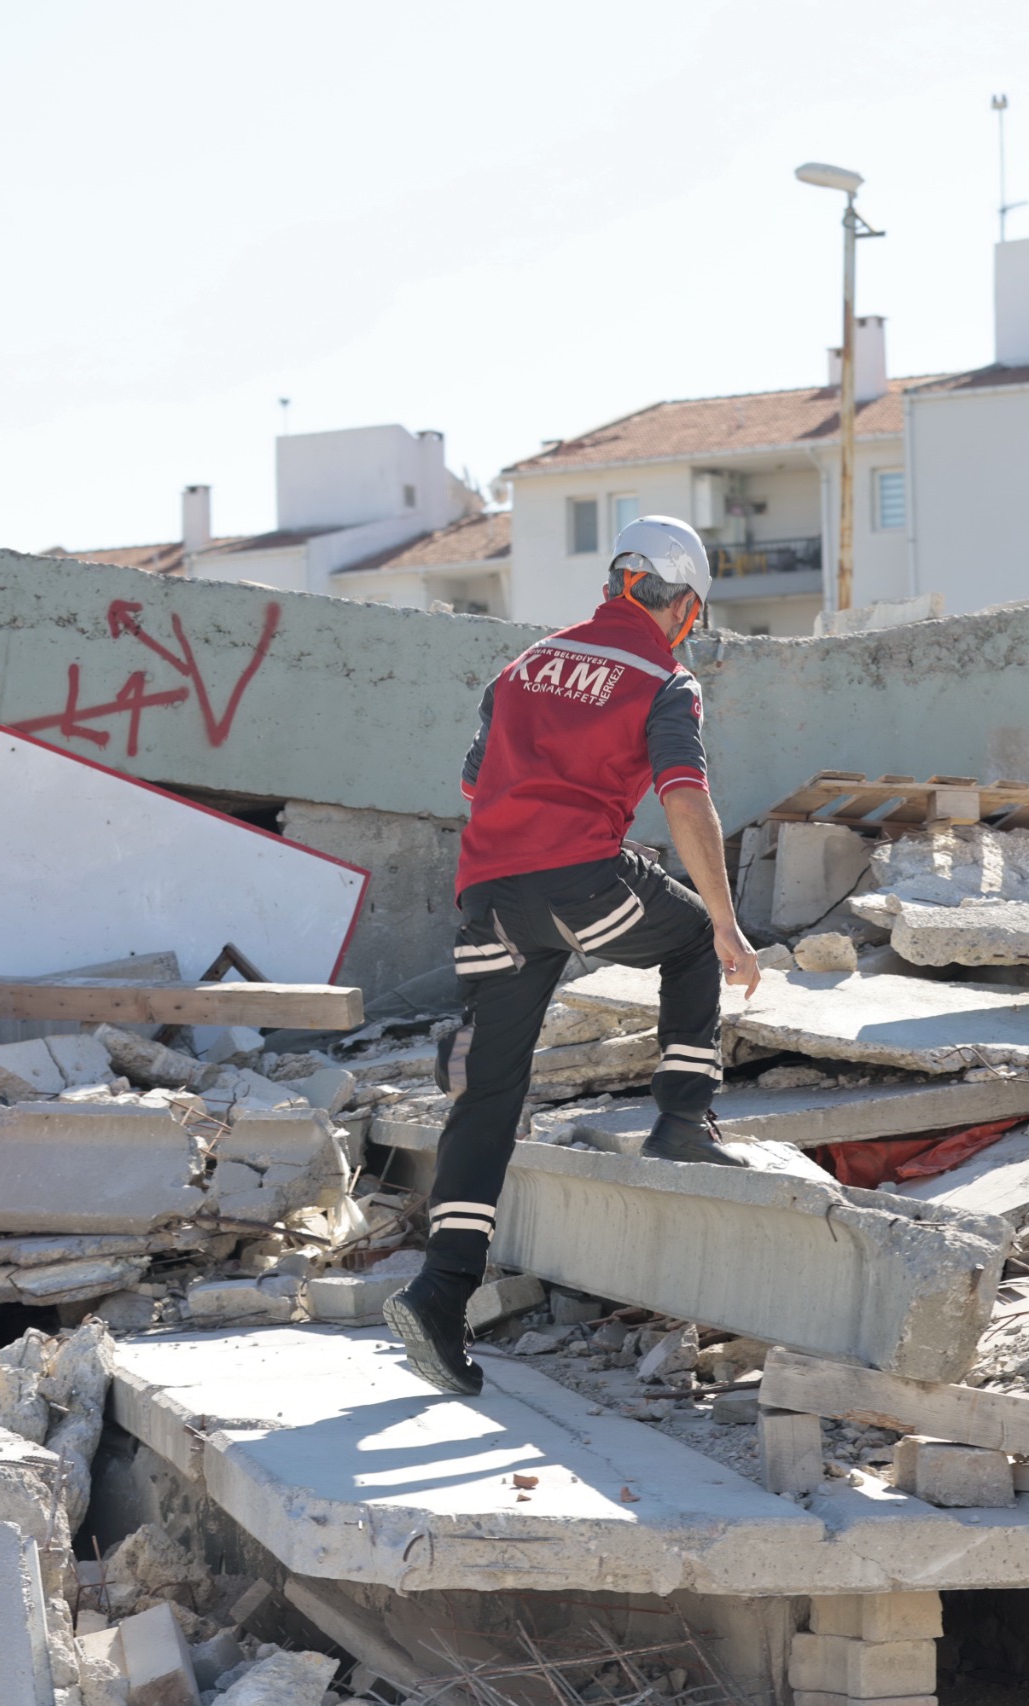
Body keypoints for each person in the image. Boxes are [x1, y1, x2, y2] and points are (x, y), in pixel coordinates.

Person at [385, 514, 762, 1395]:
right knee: (694, 944)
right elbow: (684, 796)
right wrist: (728, 919)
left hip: (488, 899)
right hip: (577, 884)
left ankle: (440, 1296)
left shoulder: (520, 666)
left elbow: (476, 784)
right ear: (685, 604)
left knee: (487, 1097)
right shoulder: (666, 678)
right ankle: (682, 1119)